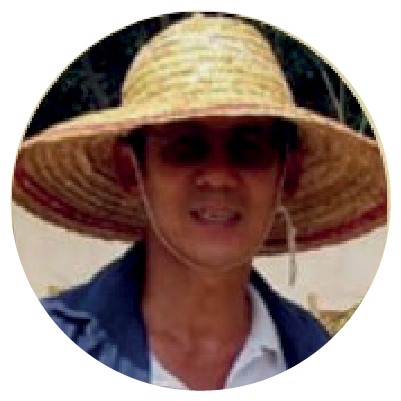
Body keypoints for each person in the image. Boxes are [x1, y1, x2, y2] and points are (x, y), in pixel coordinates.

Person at [12, 14, 387, 391]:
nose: (218, 176)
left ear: (287, 175)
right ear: (132, 171)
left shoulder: (319, 356)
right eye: (186, 147)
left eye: (248, 149)